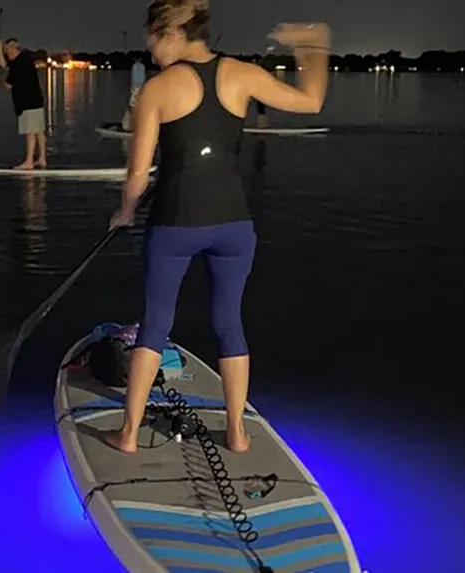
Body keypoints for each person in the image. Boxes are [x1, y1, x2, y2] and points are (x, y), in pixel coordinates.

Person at [105, 0, 331, 454]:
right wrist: (315, 48)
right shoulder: (241, 74)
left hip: (175, 222)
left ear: (169, 32)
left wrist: (125, 211)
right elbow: (311, 101)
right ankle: (237, 432)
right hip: (235, 225)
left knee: (154, 325)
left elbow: (136, 175)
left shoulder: (157, 89)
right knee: (229, 323)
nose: (150, 51)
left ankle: (128, 435)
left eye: (152, 39)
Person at [0, 37, 47, 169]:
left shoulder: (18, 65)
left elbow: (8, 85)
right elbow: (4, 64)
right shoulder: (24, 59)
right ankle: (42, 158)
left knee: (31, 131)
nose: (7, 53)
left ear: (13, 49)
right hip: (36, 100)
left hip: (27, 102)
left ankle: (29, 161)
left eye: (7, 50)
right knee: (38, 130)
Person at [121, 58, 148, 132]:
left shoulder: (136, 66)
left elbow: (134, 80)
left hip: (136, 89)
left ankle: (130, 126)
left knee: (132, 108)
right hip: (140, 89)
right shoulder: (141, 66)